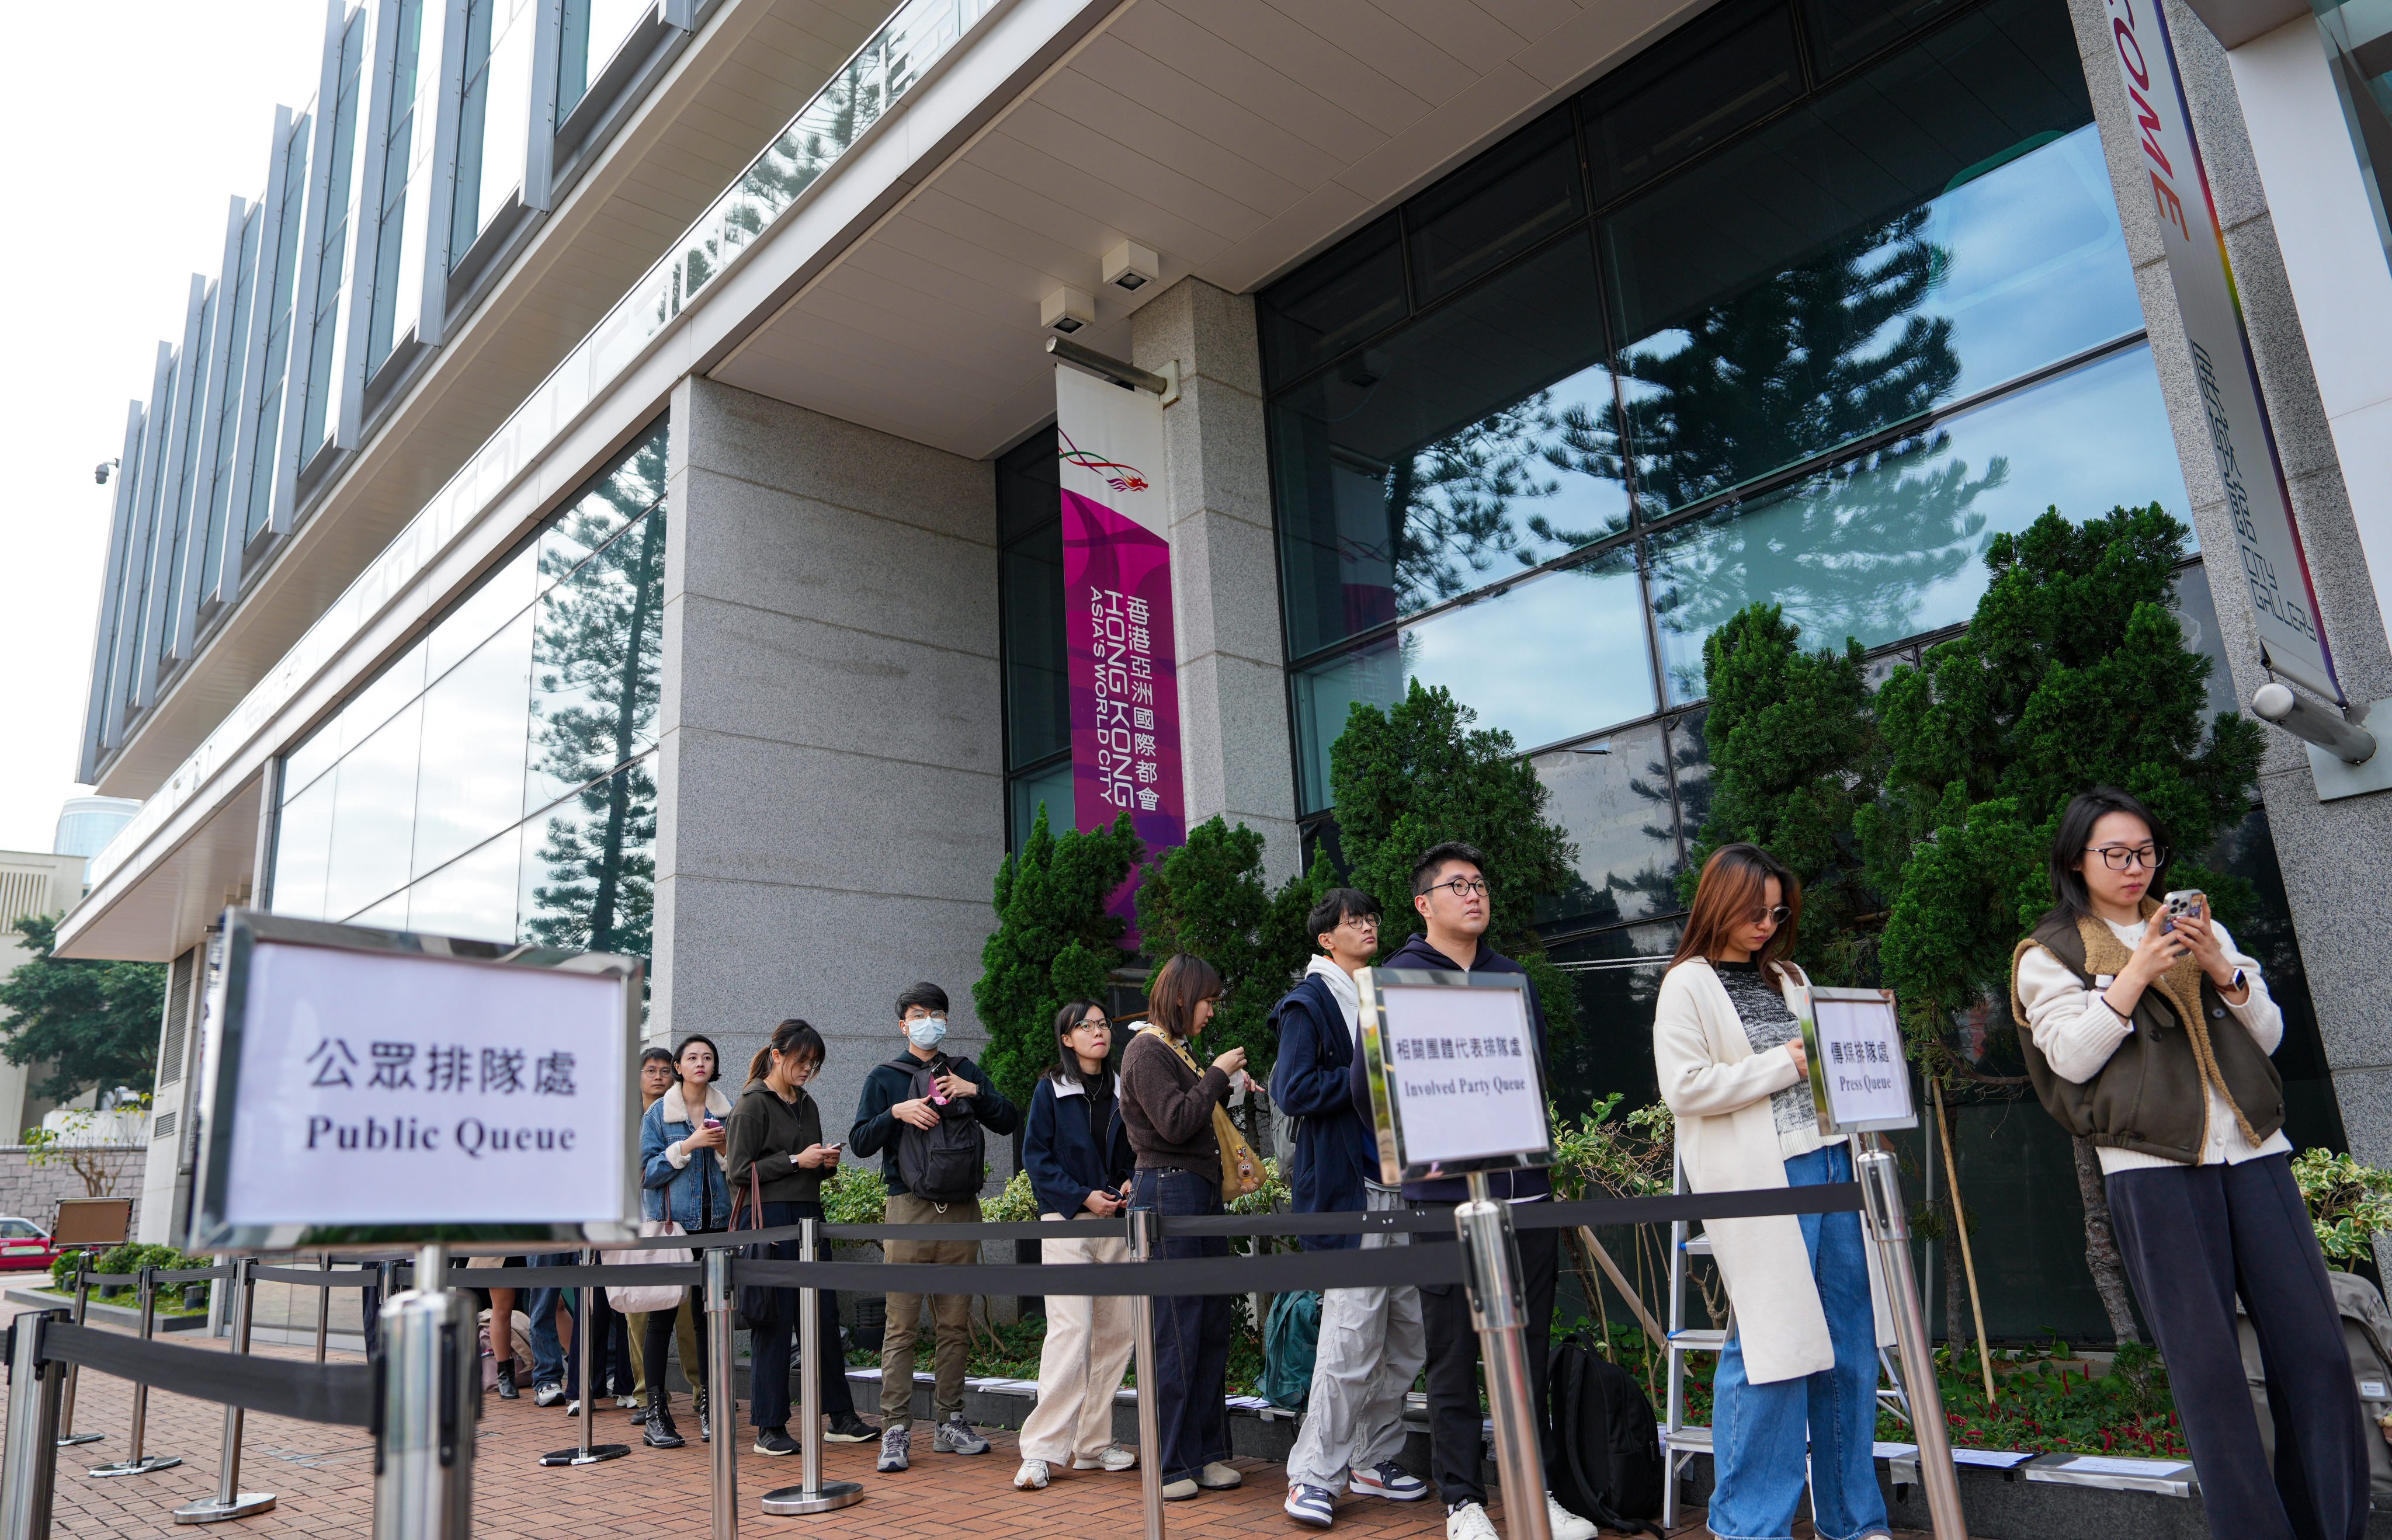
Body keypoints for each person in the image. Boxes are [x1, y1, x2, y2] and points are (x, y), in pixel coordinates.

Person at [2011, 787, 2366, 1540]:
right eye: (2117, 853)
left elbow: (2266, 1035)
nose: (2135, 867)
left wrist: (2221, 968)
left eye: (2146, 852)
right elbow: (2071, 1060)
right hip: (2151, 1171)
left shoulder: (2199, 925)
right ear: (2078, 859)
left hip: (2256, 1155)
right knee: (2210, 1379)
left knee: (2317, 1355)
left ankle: (2332, 1527)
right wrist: (2135, 973)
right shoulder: (2049, 955)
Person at [1349, 842, 1594, 1540]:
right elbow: (1366, 1095)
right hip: (1441, 1200)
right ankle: (1462, 1499)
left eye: (1481, 883)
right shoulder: (1395, 980)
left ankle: (1536, 1491)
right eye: (1458, 885)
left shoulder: (1510, 978)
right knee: (1453, 1352)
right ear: (1424, 904)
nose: (1475, 894)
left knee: (1528, 1347)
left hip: (1525, 1196)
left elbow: (1536, 1073)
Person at [1653, 843, 1890, 1540]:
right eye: (1755, 911)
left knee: (1850, 1346)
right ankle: (1748, 1525)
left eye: (1777, 912)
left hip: (1831, 1162)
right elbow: (1684, 1088)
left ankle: (1854, 1520)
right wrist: (1783, 1063)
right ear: (1719, 903)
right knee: (1772, 1347)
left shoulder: (1787, 975)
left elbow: (1823, 1066)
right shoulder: (1687, 984)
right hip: (1762, 1175)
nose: (1767, 924)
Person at [1273, 887, 1428, 1528]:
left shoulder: (1383, 993)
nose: (1367, 926)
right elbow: (1292, 1089)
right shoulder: (1308, 1003)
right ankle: (1312, 1475)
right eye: (1351, 921)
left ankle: (1374, 1457)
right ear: (1324, 939)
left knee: (1407, 1338)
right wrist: (1370, 1069)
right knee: (1349, 1341)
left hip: (1404, 1185)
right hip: (1352, 1191)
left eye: (1371, 916)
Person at [850, 982, 1019, 1473]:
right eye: (919, 1013)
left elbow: (1009, 1119)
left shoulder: (964, 1070)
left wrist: (976, 1092)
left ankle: (950, 1420)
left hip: (962, 1209)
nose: (930, 1020)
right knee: (900, 1325)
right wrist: (894, 1113)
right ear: (903, 1024)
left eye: (937, 1013)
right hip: (907, 1208)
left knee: (955, 1323)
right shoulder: (884, 1076)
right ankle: (896, 1428)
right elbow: (860, 1140)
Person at [1120, 953, 1245, 1503]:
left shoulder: (1174, 1050)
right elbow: (1173, 1123)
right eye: (1207, 1000)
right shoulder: (1145, 1049)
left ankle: (1207, 1452)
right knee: (1175, 1332)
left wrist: (1223, 1083)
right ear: (1180, 998)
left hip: (1193, 1190)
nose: (1211, 1011)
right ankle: (1172, 1463)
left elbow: (1192, 1116)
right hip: (1165, 1190)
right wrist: (1217, 1074)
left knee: (1210, 1325)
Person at [725, 1019, 876, 1455]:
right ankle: (769, 1426)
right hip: (769, 1221)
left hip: (809, 1217)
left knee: (824, 1318)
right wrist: (795, 1159)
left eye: (814, 1062)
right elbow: (738, 1171)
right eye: (801, 1060)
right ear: (777, 1055)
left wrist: (824, 1162)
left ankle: (841, 1416)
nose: (808, 1068)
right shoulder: (752, 1104)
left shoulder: (806, 1104)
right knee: (774, 1321)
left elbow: (803, 1164)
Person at [1013, 1001, 1140, 1491]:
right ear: (1066, 1038)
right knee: (1071, 1330)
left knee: (1117, 1331)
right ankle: (1041, 1449)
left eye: (1103, 1024)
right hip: (1066, 1220)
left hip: (1117, 1222)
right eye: (1084, 1026)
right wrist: (1082, 1194)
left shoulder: (1121, 1086)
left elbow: (1138, 1145)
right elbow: (1036, 1158)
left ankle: (1090, 1443)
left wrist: (1128, 1182)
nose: (1097, 1032)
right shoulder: (1051, 1088)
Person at [637, 1034, 732, 1448]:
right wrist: (687, 1145)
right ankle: (656, 1412)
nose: (699, 1062)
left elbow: (741, 1169)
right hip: (674, 1227)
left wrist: (726, 1147)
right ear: (678, 1065)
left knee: (709, 1316)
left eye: (706, 1057)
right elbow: (646, 1173)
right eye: (691, 1056)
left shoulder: (728, 1110)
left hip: (717, 1226)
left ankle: (711, 1403)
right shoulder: (659, 1114)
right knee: (661, 1315)